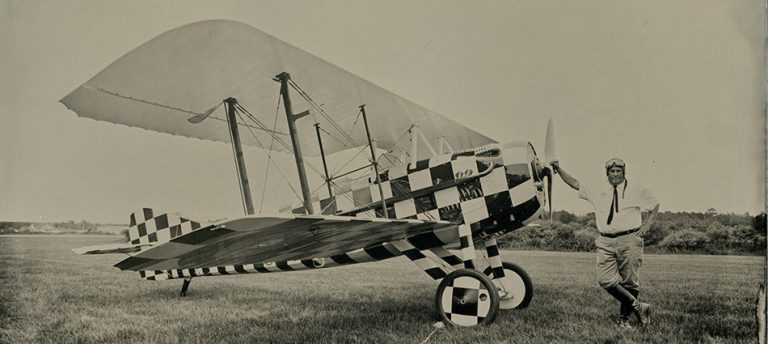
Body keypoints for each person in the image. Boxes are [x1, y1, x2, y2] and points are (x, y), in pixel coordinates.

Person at [552, 158, 660, 328]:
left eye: (618, 171)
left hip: (629, 239)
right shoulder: (598, 189)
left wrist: (647, 226)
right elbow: (575, 183)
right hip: (605, 240)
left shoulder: (636, 189)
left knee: (629, 281)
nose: (615, 174)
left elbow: (654, 205)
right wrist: (558, 169)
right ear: (607, 173)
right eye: (612, 171)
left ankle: (623, 320)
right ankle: (640, 307)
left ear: (624, 172)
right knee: (605, 280)